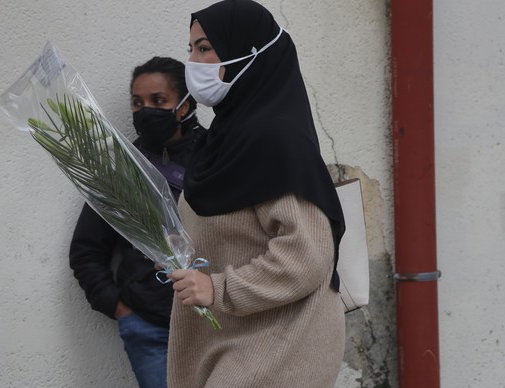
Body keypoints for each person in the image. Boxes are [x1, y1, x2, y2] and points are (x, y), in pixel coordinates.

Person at [166, 1, 347, 387]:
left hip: (281, 346)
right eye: (191, 49)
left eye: (204, 48)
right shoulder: (221, 140)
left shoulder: (276, 141)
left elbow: (308, 255)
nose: (192, 62)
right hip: (232, 340)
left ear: (246, 53)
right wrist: (170, 252)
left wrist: (219, 287)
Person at [69, 56, 205, 388]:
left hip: (216, 329)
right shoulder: (124, 169)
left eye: (159, 101)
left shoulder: (218, 156)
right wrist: (122, 312)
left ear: (184, 107)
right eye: (137, 103)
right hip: (151, 332)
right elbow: (86, 250)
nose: (146, 111)